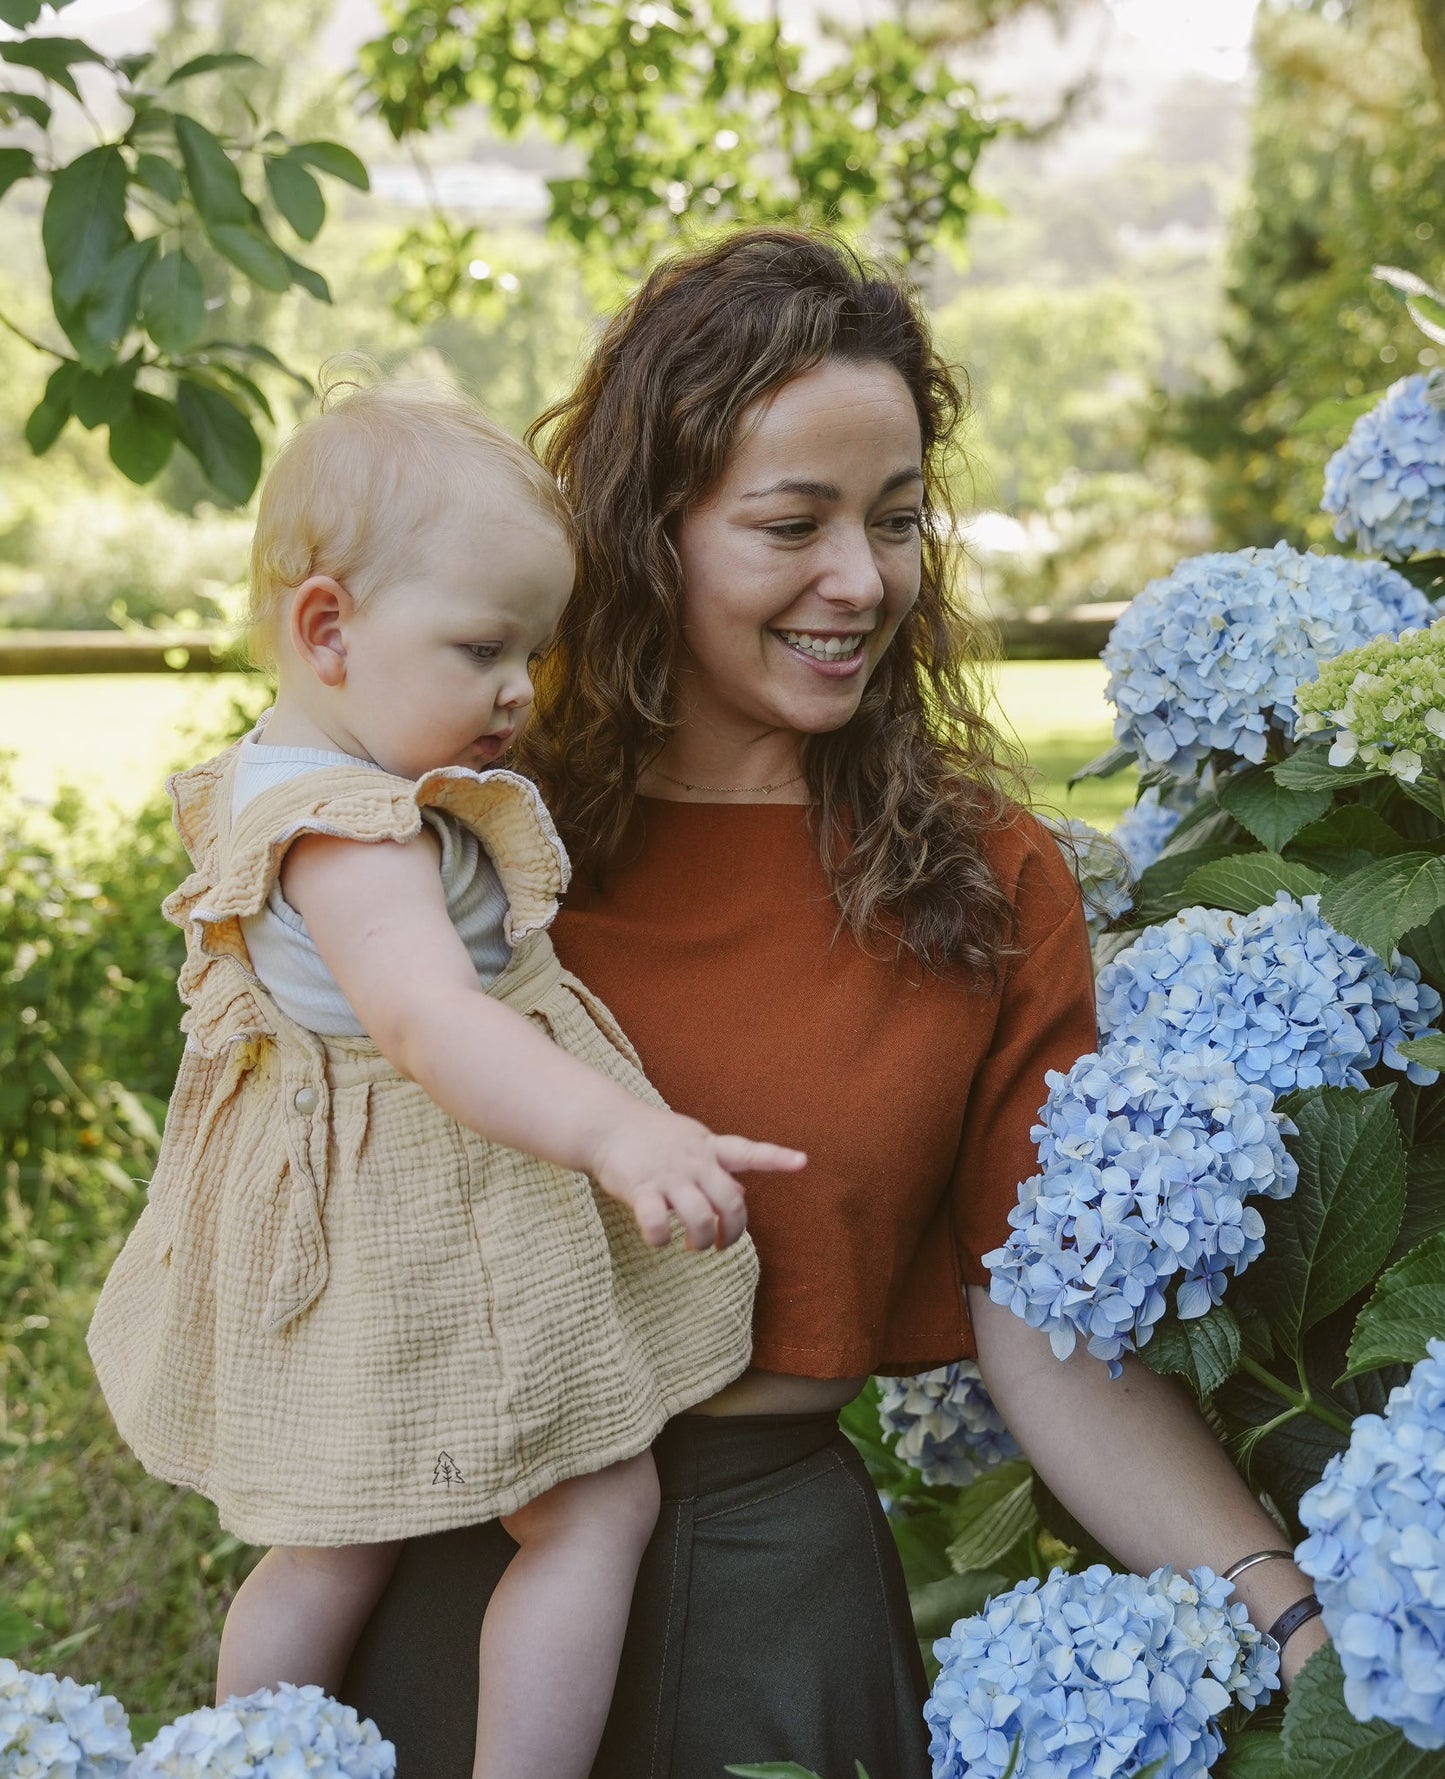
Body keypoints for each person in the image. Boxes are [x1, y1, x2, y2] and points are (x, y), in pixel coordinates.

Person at [341, 228, 1329, 1778]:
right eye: (790, 523)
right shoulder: (446, 840)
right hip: (439, 1556)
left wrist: (1288, 1618)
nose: (859, 582)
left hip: (768, 1595)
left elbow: (1046, 1330)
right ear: (647, 533)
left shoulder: (985, 880)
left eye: (896, 521)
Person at [85, 375, 807, 1779]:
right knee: (593, 1504)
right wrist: (617, 1132)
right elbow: (430, 1025)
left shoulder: (282, 770)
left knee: (332, 1537)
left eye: (532, 653)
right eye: (482, 647)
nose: (516, 692)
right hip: (428, 1217)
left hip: (353, 1203)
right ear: (327, 629)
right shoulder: (353, 834)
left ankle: (245, 1758)